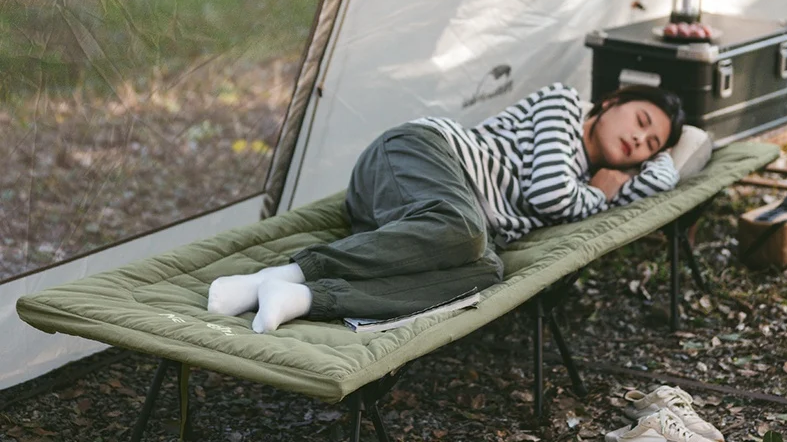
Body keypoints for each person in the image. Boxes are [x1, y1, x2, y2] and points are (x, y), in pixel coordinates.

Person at [208, 82, 685, 332]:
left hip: (427, 227)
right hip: (419, 155)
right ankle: (282, 275)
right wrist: (603, 191)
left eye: (651, 143)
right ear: (612, 101)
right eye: (641, 120)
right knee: (466, 230)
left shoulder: (598, 181)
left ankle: (305, 298)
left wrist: (649, 167)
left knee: (484, 272)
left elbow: (666, 178)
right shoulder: (561, 106)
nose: (639, 139)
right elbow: (549, 195)